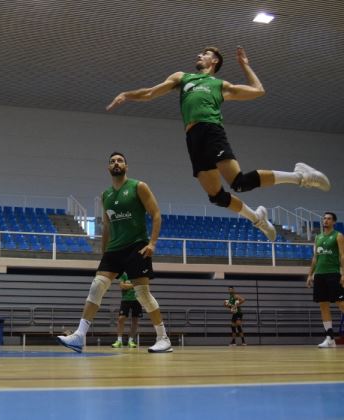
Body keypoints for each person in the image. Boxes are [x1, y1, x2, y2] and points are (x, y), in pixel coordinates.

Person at [106, 46, 330, 242]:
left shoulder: (219, 85)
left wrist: (244, 65)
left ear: (214, 61)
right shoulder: (182, 77)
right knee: (217, 197)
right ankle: (257, 219)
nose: (199, 55)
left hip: (211, 130)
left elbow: (258, 90)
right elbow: (150, 93)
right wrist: (127, 95)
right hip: (193, 138)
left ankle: (301, 177)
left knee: (239, 182)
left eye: (205, 54)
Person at [57, 152, 172, 353]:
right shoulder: (106, 195)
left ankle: (163, 338)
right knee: (96, 286)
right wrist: (104, 253)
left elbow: (156, 214)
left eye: (119, 160)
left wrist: (152, 243)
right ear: (108, 168)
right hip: (114, 249)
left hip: (137, 246)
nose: (116, 163)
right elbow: (107, 226)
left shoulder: (138, 187)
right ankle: (79, 336)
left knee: (143, 294)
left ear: (126, 166)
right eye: (112, 161)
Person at [306, 212, 344, 348]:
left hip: (333, 273)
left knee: (340, 303)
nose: (326, 220)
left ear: (334, 222)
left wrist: (343, 273)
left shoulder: (338, 236)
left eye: (329, 219)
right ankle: (330, 338)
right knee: (323, 305)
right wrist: (310, 274)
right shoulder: (318, 237)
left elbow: (342, 255)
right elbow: (315, 257)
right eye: (324, 218)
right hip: (320, 275)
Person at [111, 273, 143, 348]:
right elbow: (122, 286)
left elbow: (142, 286)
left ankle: (130, 341)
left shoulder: (138, 273)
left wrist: (128, 286)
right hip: (125, 299)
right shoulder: (124, 274)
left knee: (135, 320)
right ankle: (119, 341)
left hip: (137, 299)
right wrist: (134, 285)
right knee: (121, 318)